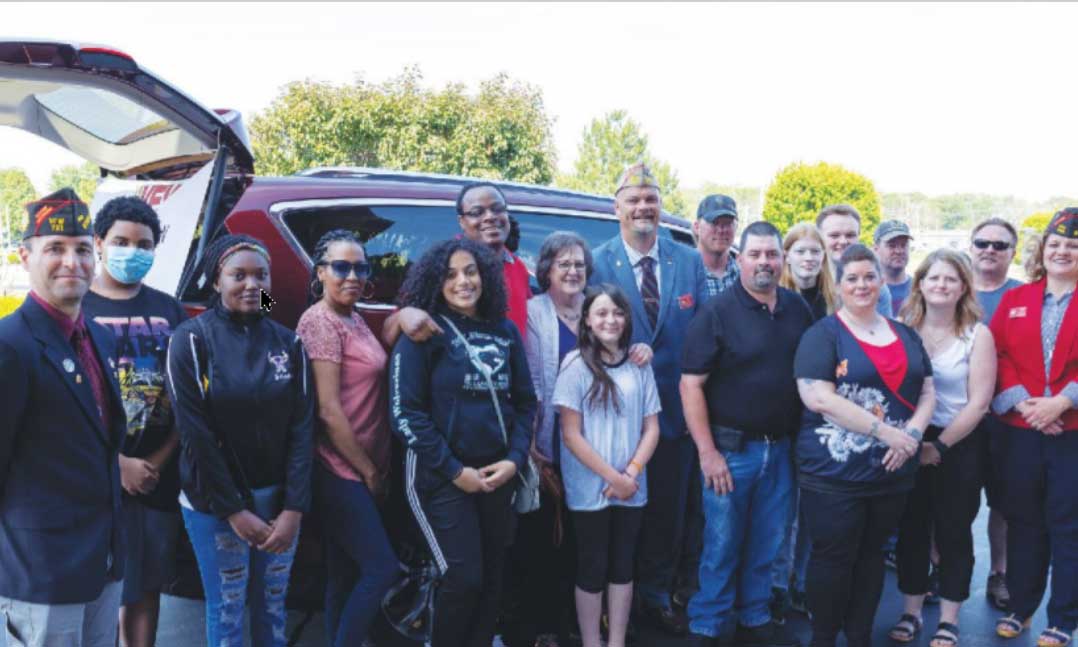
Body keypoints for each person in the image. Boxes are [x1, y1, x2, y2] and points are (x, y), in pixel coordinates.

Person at [166, 234, 314, 647]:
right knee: (228, 610)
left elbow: (303, 429)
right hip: (214, 504)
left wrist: (293, 509)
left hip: (278, 502)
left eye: (260, 275)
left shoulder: (288, 342)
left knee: (272, 606)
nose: (252, 284)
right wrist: (233, 510)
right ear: (216, 282)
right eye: (238, 275)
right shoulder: (192, 340)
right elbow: (195, 434)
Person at [389, 237, 538, 647]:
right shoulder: (423, 332)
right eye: (450, 274)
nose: (462, 281)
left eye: (471, 271)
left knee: (492, 578)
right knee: (462, 578)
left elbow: (526, 403)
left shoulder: (505, 330)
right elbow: (405, 414)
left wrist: (514, 459)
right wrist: (456, 471)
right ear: (435, 281)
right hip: (440, 476)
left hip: (497, 473)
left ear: (486, 276)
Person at [0, 188, 127, 647]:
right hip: (42, 572)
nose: (71, 261)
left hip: (103, 560)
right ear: (24, 256)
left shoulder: (97, 335)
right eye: (54, 249)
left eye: (81, 249)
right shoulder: (9, 345)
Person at [794, 243, 935, 647]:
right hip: (834, 475)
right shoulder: (822, 335)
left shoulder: (905, 334)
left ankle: (858, 637)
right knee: (833, 558)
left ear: (880, 282)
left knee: (872, 556)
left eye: (869, 277)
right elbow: (818, 398)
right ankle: (823, 637)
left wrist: (910, 436)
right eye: (851, 278)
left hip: (891, 473)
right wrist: (887, 433)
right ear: (838, 286)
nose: (862, 285)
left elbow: (927, 392)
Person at [680, 221, 813, 647]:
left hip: (782, 450)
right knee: (721, 545)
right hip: (730, 451)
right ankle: (708, 623)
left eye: (771, 254)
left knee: (767, 542)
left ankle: (755, 615)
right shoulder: (717, 313)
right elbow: (690, 385)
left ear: (782, 259)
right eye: (755, 254)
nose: (764, 262)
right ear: (740, 260)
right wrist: (707, 453)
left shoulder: (797, 310)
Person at [589, 162, 708, 635]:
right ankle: (609, 601)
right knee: (614, 514)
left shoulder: (689, 260)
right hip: (616, 416)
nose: (643, 207)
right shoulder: (597, 260)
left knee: (666, 514)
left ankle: (653, 597)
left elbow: (698, 337)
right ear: (616, 206)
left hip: (676, 416)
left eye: (651, 199)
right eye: (633, 199)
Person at [82, 195, 188, 647]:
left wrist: (158, 462)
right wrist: (118, 464)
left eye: (144, 244)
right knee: (101, 592)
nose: (133, 251)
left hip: (157, 477)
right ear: (99, 243)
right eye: (122, 241)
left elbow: (255, 299)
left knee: (145, 587)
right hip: (99, 480)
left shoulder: (171, 309)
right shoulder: (77, 310)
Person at [887, 249, 996, 647]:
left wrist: (940, 446)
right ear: (920, 284)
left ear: (963, 286)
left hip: (959, 442)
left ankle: (949, 619)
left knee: (953, 531)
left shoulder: (976, 334)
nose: (941, 285)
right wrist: (912, 442)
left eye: (950, 279)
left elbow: (980, 402)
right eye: (933, 278)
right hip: (909, 439)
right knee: (911, 529)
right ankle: (911, 612)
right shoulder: (902, 326)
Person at [295, 229, 397, 646]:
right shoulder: (319, 322)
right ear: (320, 272)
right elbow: (328, 411)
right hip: (340, 468)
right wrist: (371, 472)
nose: (352, 275)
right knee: (381, 568)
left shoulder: (352, 318)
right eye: (341, 267)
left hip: (361, 465)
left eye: (360, 267)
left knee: (344, 572)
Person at [553, 284, 661, 647]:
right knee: (592, 566)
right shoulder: (575, 366)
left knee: (622, 566)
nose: (610, 320)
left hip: (631, 485)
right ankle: (591, 641)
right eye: (601, 313)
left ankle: (616, 641)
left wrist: (629, 475)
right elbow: (571, 434)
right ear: (587, 320)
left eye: (617, 312)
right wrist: (612, 476)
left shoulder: (638, 364)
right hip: (590, 487)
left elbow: (652, 427)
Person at [989, 209, 1078, 647]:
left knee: (1069, 524)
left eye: (1073, 246)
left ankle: (1063, 618)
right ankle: (1021, 607)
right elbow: (999, 355)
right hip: (1022, 430)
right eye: (1055, 243)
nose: (1062, 251)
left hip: (1072, 432)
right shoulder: (1017, 299)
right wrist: (1026, 404)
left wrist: (1063, 401)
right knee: (1024, 520)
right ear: (1043, 249)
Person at [771, 222, 836, 624]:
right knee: (783, 508)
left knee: (813, 507)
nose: (809, 258)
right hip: (784, 414)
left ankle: (802, 581)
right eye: (801, 251)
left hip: (824, 417)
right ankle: (778, 583)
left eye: (816, 251)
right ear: (787, 257)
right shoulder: (777, 299)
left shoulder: (834, 300)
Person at [384, 181, 532, 346]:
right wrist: (404, 315)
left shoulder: (519, 267)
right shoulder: (442, 264)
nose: (490, 217)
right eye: (477, 212)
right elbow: (389, 332)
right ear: (462, 221)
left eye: (497, 209)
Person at [968, 216, 1023, 611]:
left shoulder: (1025, 296)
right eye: (983, 242)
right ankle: (938, 567)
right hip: (956, 418)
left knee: (1004, 503)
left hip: (1007, 419)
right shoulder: (949, 287)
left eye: (1000, 245)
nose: (990, 249)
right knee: (949, 501)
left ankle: (1000, 574)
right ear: (971, 246)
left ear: (1012, 252)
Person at [816, 204, 894, 317]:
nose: (843, 241)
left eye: (850, 235)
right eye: (834, 235)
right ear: (820, 237)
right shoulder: (809, 282)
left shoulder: (876, 287)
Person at [695, 194, 740, 298]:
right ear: (697, 227)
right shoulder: (682, 273)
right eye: (714, 223)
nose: (721, 230)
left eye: (728, 223)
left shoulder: (744, 276)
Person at [874, 219, 914, 314]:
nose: (899, 251)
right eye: (892, 246)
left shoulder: (920, 290)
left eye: (903, 245)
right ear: (876, 249)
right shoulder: (867, 290)